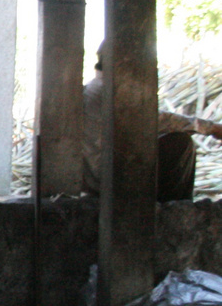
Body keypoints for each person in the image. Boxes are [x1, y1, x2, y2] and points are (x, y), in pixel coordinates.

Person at [83, 50, 222, 200]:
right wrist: (212, 128)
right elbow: (161, 120)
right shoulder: (113, 92)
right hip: (109, 180)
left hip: (97, 177)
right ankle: (172, 209)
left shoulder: (96, 87)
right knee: (180, 144)